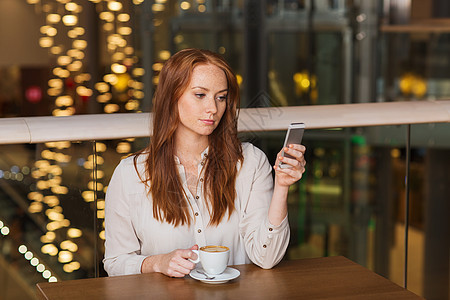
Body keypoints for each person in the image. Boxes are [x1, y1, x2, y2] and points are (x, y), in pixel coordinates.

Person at [103, 48, 306, 277]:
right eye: (200, 95)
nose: (213, 108)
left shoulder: (250, 162)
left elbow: (266, 258)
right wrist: (157, 263)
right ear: (171, 96)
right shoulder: (131, 173)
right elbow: (115, 263)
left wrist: (282, 187)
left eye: (221, 97)